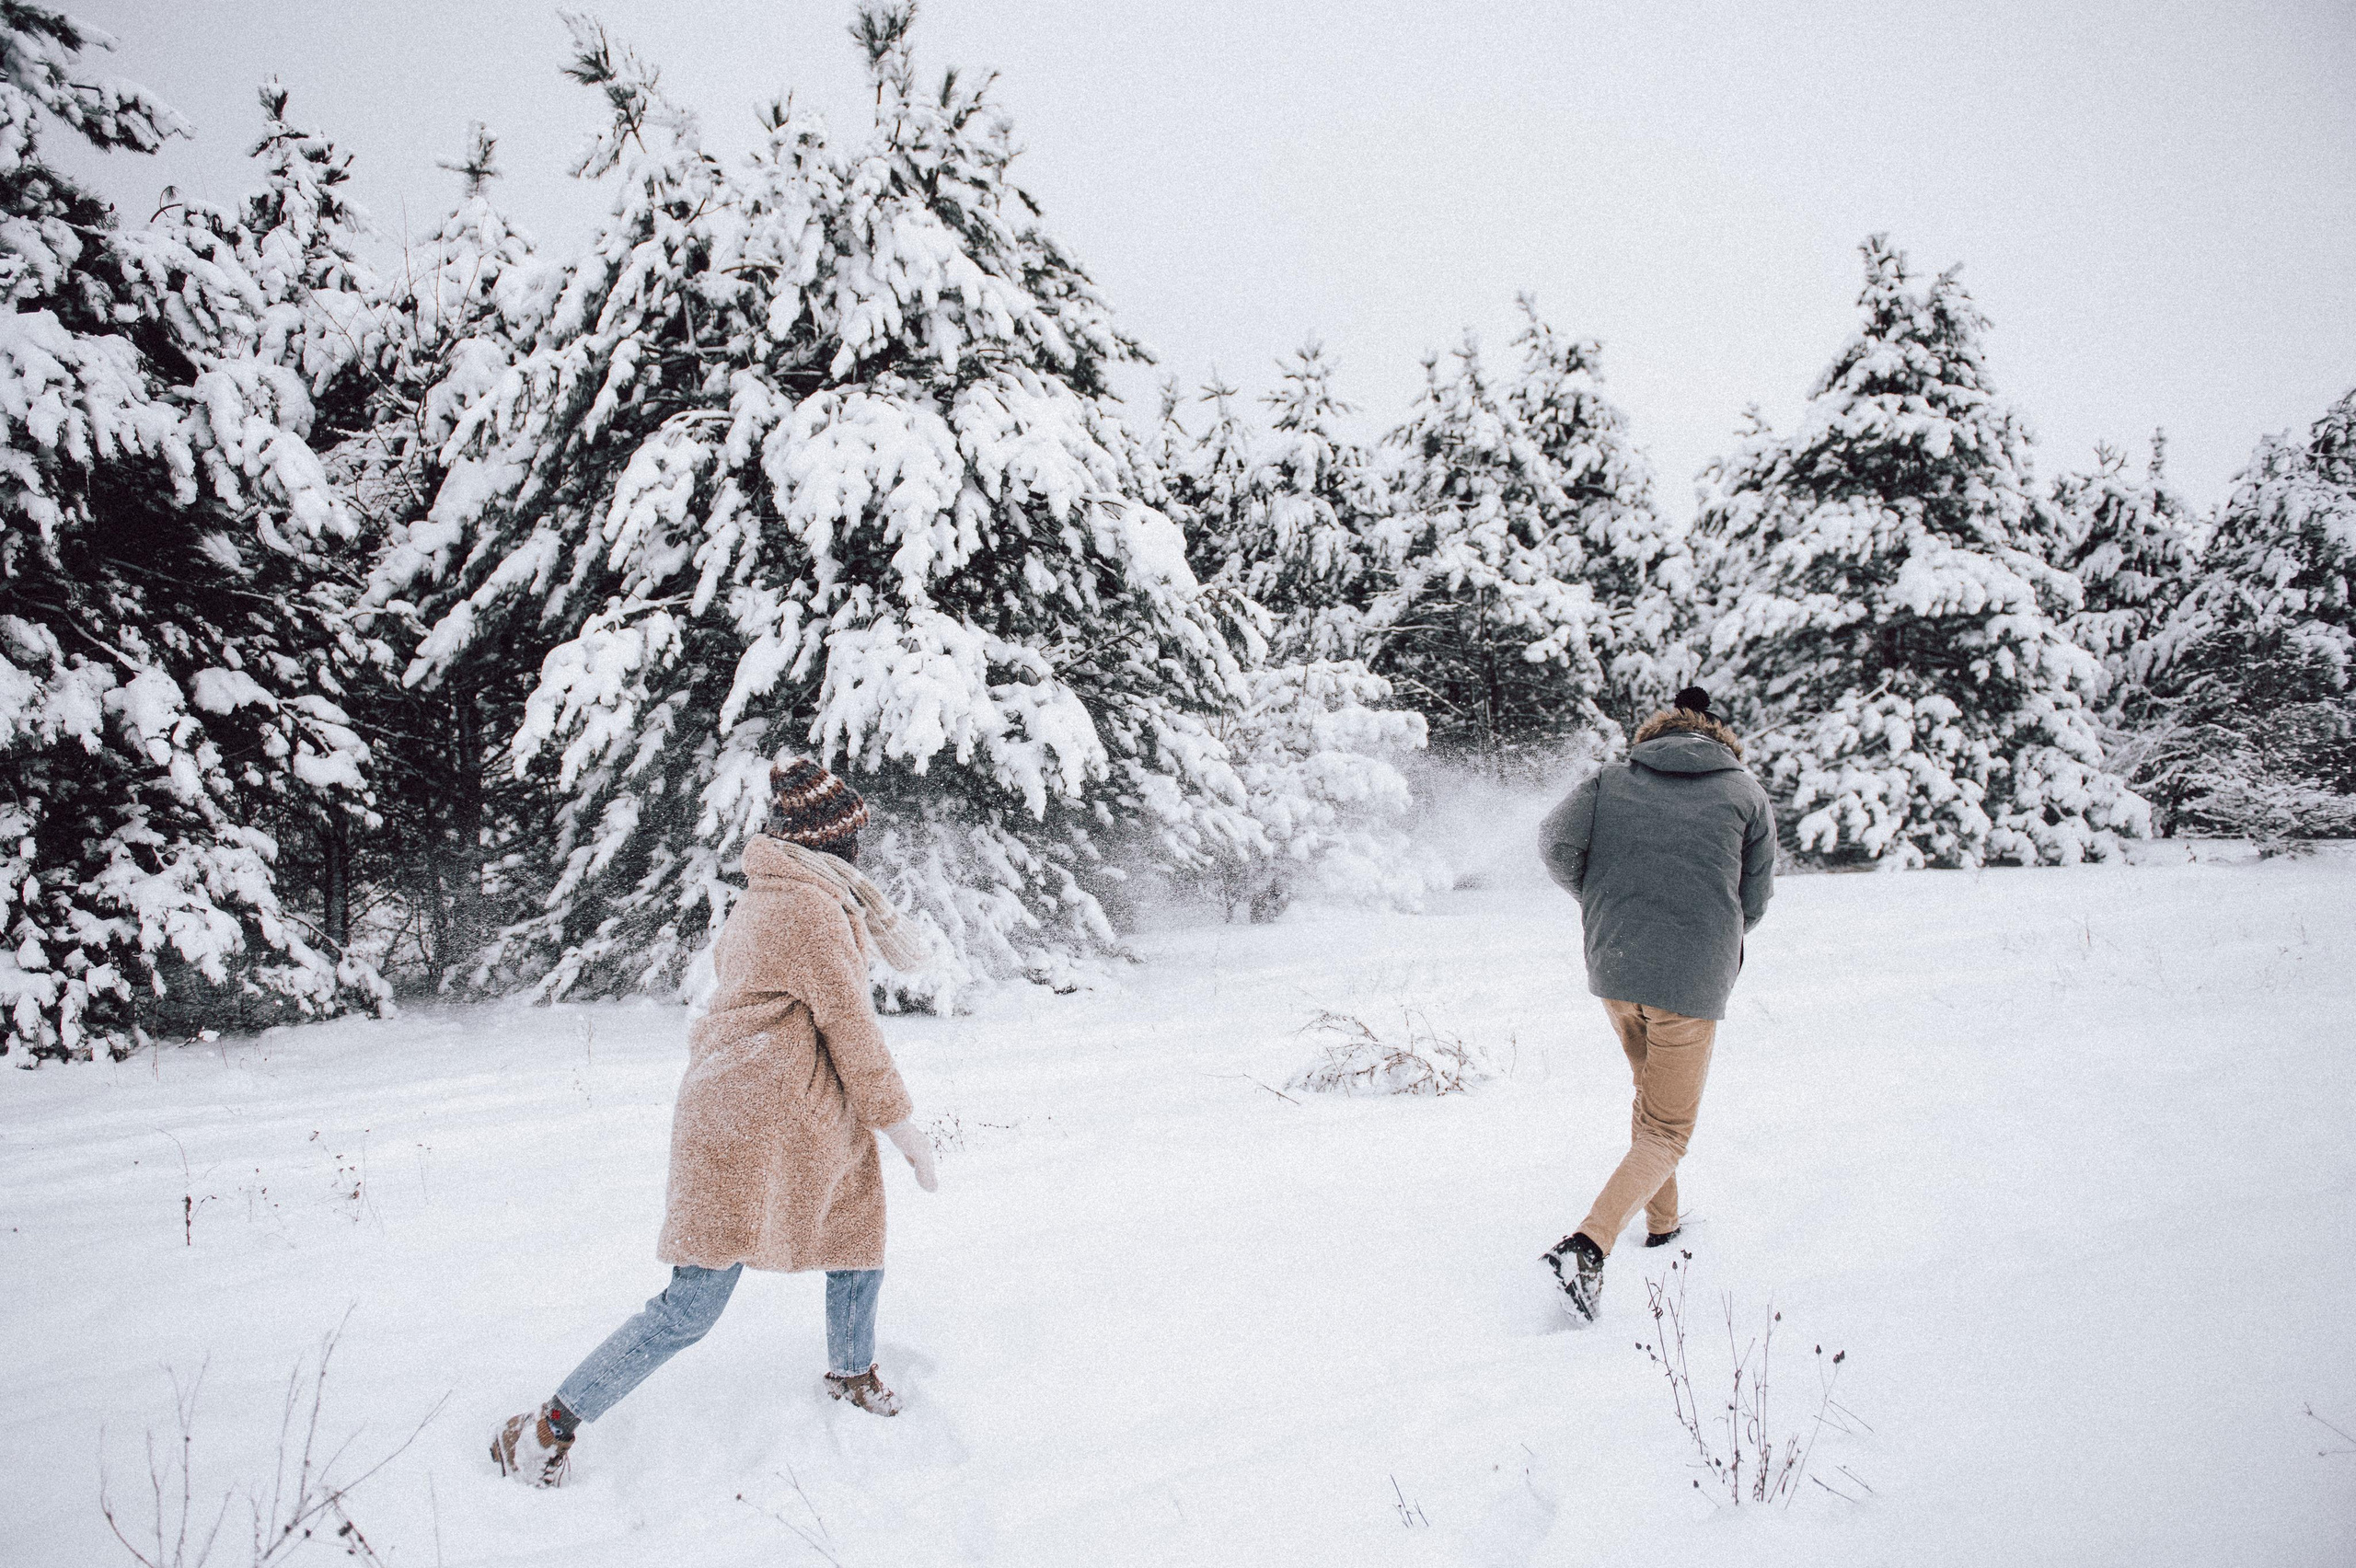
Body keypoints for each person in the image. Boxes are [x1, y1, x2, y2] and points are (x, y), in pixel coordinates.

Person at [491, 758, 940, 1486]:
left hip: (778, 1112)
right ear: (831, 843)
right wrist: (903, 1126)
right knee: (690, 1308)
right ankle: (543, 1428)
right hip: (747, 1128)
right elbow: (853, 1032)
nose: (863, 847)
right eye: (854, 835)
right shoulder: (811, 909)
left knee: (856, 1231)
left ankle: (852, 1372)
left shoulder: (777, 893)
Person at [1534, 687, 1774, 1323]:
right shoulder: (1744, 794)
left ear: (1656, 732)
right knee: (1668, 1128)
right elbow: (1755, 898)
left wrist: (1601, 897)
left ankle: (1663, 1225)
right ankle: (1588, 1245)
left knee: (1650, 1098)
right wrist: (1714, 926)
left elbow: (1554, 844)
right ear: (1721, 737)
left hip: (1615, 966)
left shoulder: (1611, 780)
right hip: (1691, 981)